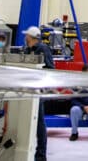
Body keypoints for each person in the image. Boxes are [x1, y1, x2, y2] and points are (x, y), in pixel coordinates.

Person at [23, 26, 55, 161]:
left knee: (39, 123)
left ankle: (41, 155)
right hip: (26, 90)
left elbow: (51, 69)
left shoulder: (43, 50)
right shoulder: (27, 50)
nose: (25, 38)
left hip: (38, 90)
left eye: (27, 36)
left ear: (31, 37)